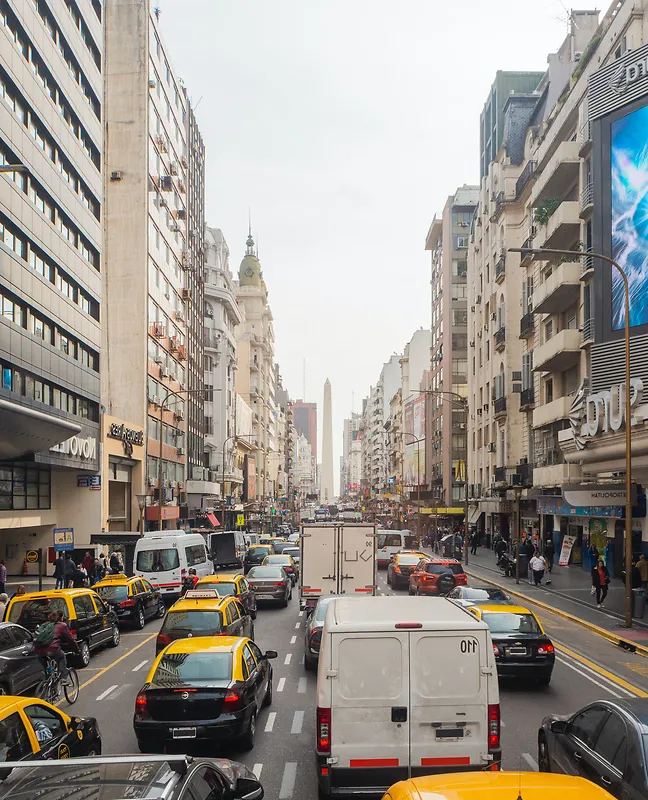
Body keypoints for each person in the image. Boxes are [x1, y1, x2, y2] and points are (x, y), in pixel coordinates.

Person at [34, 610, 79, 679]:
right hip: (52, 650)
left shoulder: (44, 625)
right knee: (62, 656)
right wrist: (76, 650)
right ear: (60, 618)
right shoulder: (62, 625)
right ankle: (64, 678)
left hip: (39, 651)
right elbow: (71, 640)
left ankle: (47, 682)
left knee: (47, 669)